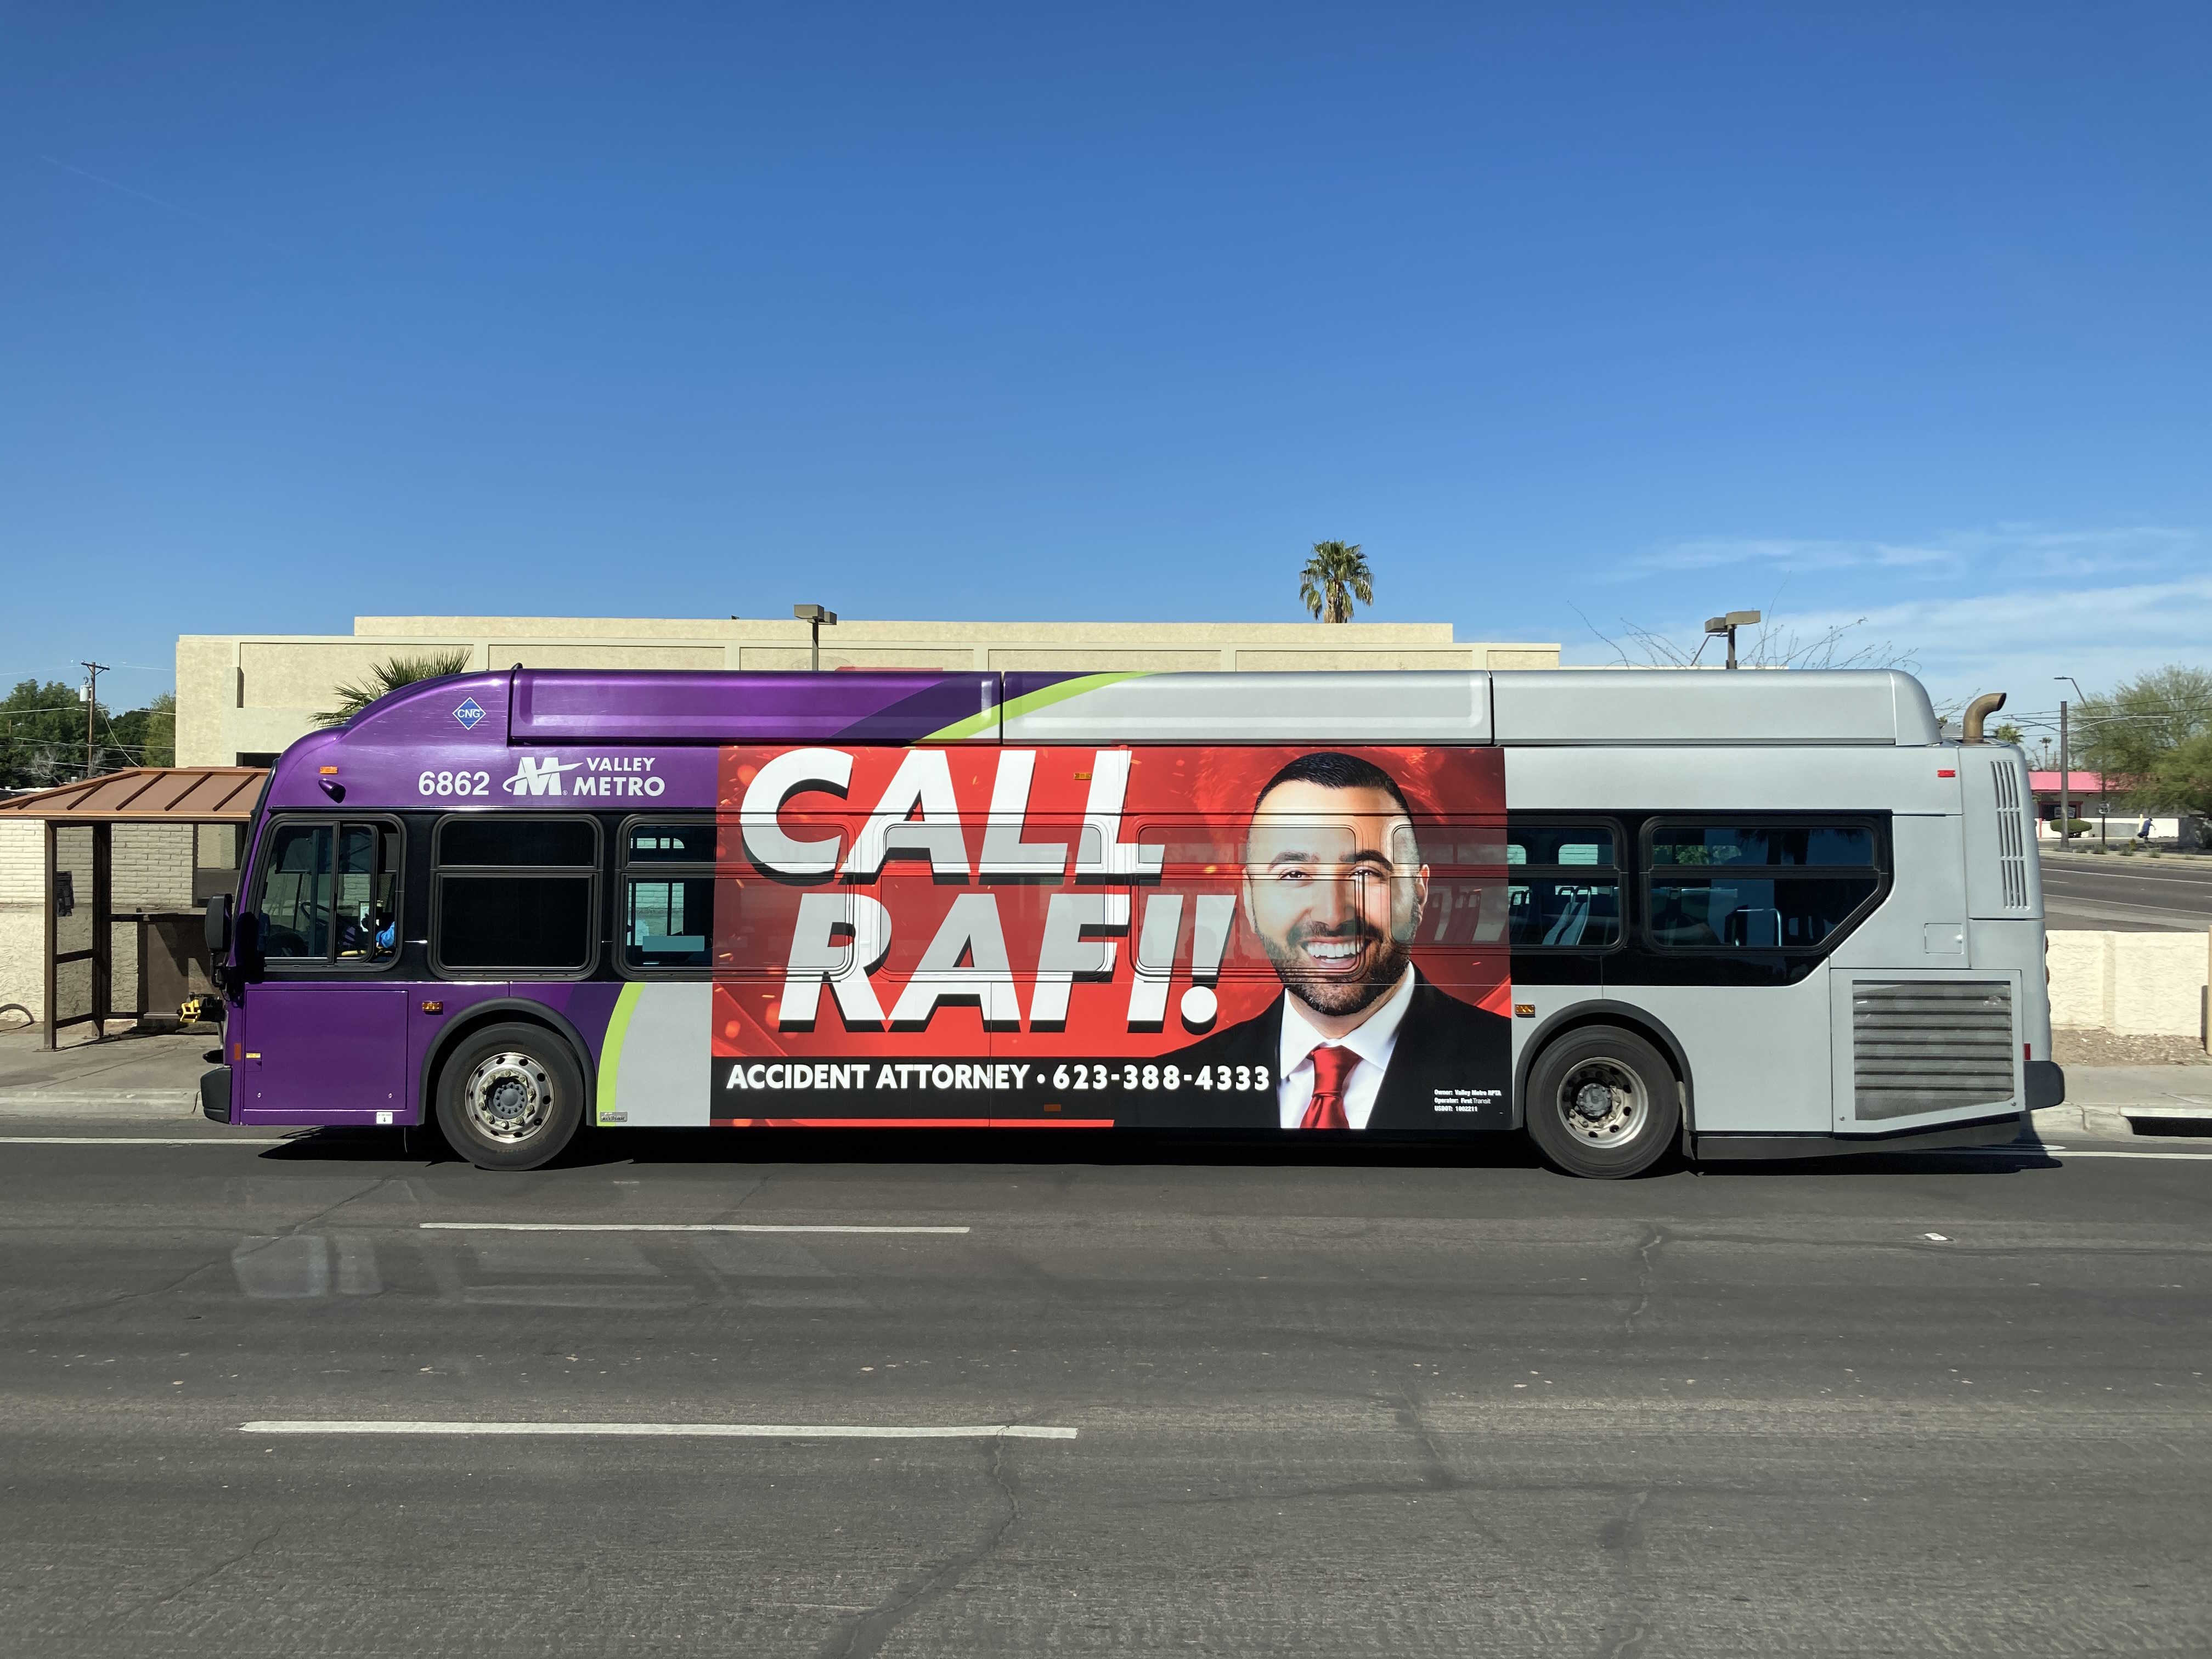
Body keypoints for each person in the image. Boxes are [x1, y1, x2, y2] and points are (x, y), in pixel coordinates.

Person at [1158, 751, 1510, 1132]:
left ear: (1419, 891)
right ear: (1250, 899)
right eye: (1294, 874)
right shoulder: (1162, 1096)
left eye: (1365, 872)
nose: (1332, 915)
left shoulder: (1503, 1059)